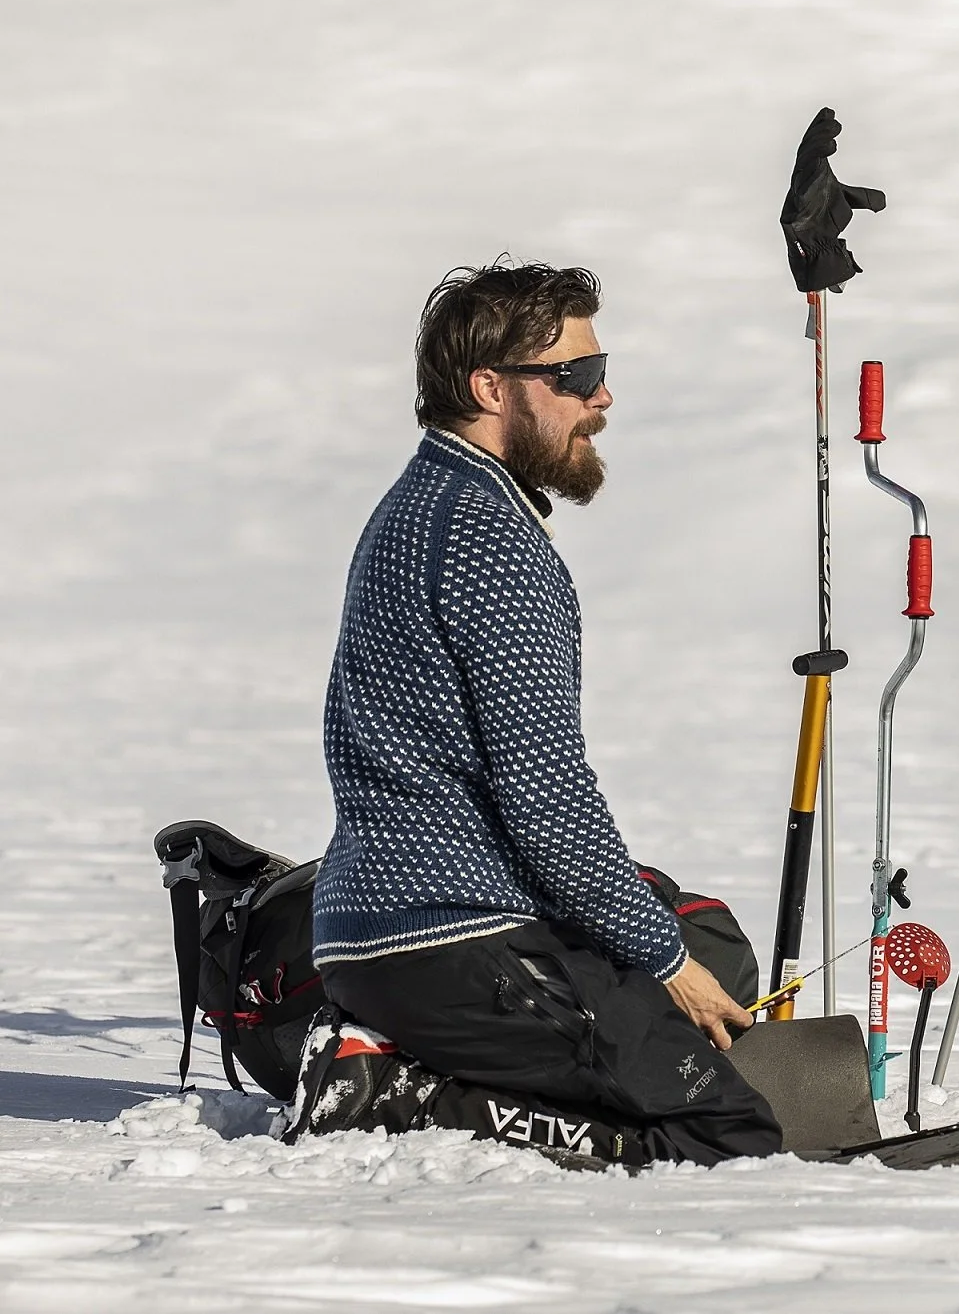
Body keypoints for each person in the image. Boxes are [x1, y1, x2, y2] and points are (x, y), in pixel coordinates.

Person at [309, 260, 781, 1167]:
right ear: (491, 387)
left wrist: (671, 943)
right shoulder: (487, 538)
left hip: (390, 921)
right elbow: (548, 798)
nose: (602, 397)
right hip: (448, 931)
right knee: (727, 1127)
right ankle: (412, 1097)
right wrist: (666, 966)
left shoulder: (427, 502)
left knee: (712, 947)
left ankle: (403, 1055)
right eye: (574, 377)